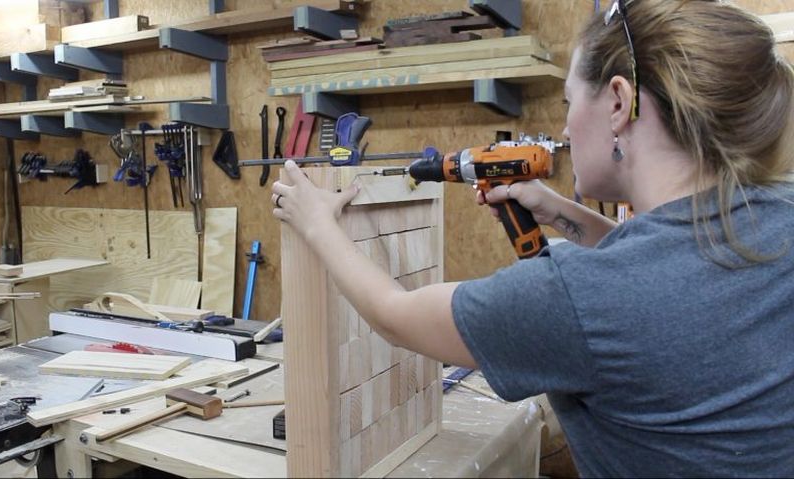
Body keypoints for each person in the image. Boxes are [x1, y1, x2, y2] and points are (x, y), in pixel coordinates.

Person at [270, 0, 794, 475]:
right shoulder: (780, 218)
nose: (564, 130)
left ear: (618, 103)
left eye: (568, 102)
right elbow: (670, 268)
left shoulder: (579, 297)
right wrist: (563, 213)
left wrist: (318, 223)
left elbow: (394, 315)